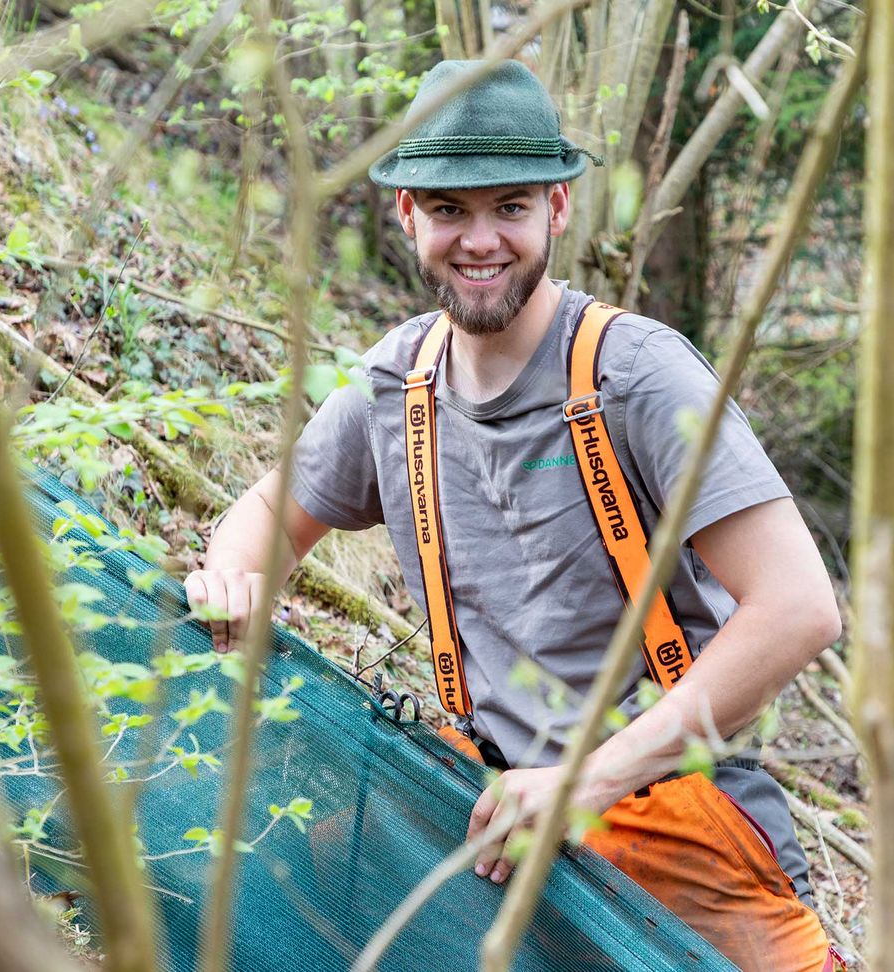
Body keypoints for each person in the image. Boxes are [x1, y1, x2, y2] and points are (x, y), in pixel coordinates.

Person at [186, 58, 845, 972]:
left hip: (674, 807)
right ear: (408, 214)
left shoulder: (638, 376)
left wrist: (585, 781)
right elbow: (265, 511)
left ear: (558, 208)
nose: (480, 240)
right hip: (490, 807)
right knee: (272, 883)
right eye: (449, 209)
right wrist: (232, 577)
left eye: (510, 207)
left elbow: (800, 608)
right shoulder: (395, 386)